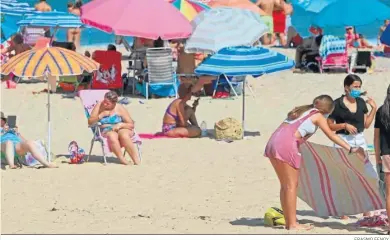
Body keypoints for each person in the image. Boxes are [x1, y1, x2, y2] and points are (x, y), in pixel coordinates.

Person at [264, 95, 365, 230]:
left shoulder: (301, 110)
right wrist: (351, 148)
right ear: (329, 110)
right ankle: (293, 224)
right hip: (286, 145)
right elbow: (332, 134)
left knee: (285, 186)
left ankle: (290, 222)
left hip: (273, 143)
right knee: (291, 186)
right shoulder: (317, 116)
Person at [327, 74, 377, 218]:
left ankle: (366, 209)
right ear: (346, 88)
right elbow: (330, 126)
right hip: (343, 140)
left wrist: (373, 109)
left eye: (359, 86)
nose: (358, 89)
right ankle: (344, 210)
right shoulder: (337, 104)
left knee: (365, 174)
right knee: (344, 175)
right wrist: (344, 125)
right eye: (355, 86)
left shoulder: (361, 103)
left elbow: (366, 125)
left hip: (360, 140)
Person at [88, 91, 140, 165]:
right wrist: (101, 115)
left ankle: (136, 160)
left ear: (114, 103)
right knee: (112, 135)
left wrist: (120, 125)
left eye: (108, 103)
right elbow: (90, 122)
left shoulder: (119, 108)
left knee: (124, 135)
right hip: (106, 129)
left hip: (121, 127)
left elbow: (131, 124)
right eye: (104, 101)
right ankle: (122, 159)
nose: (105, 104)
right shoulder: (99, 105)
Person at [374, 84, 390, 233]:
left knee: (389, 193)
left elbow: (376, 136)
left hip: (386, 155)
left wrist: (378, 155)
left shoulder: (381, 111)